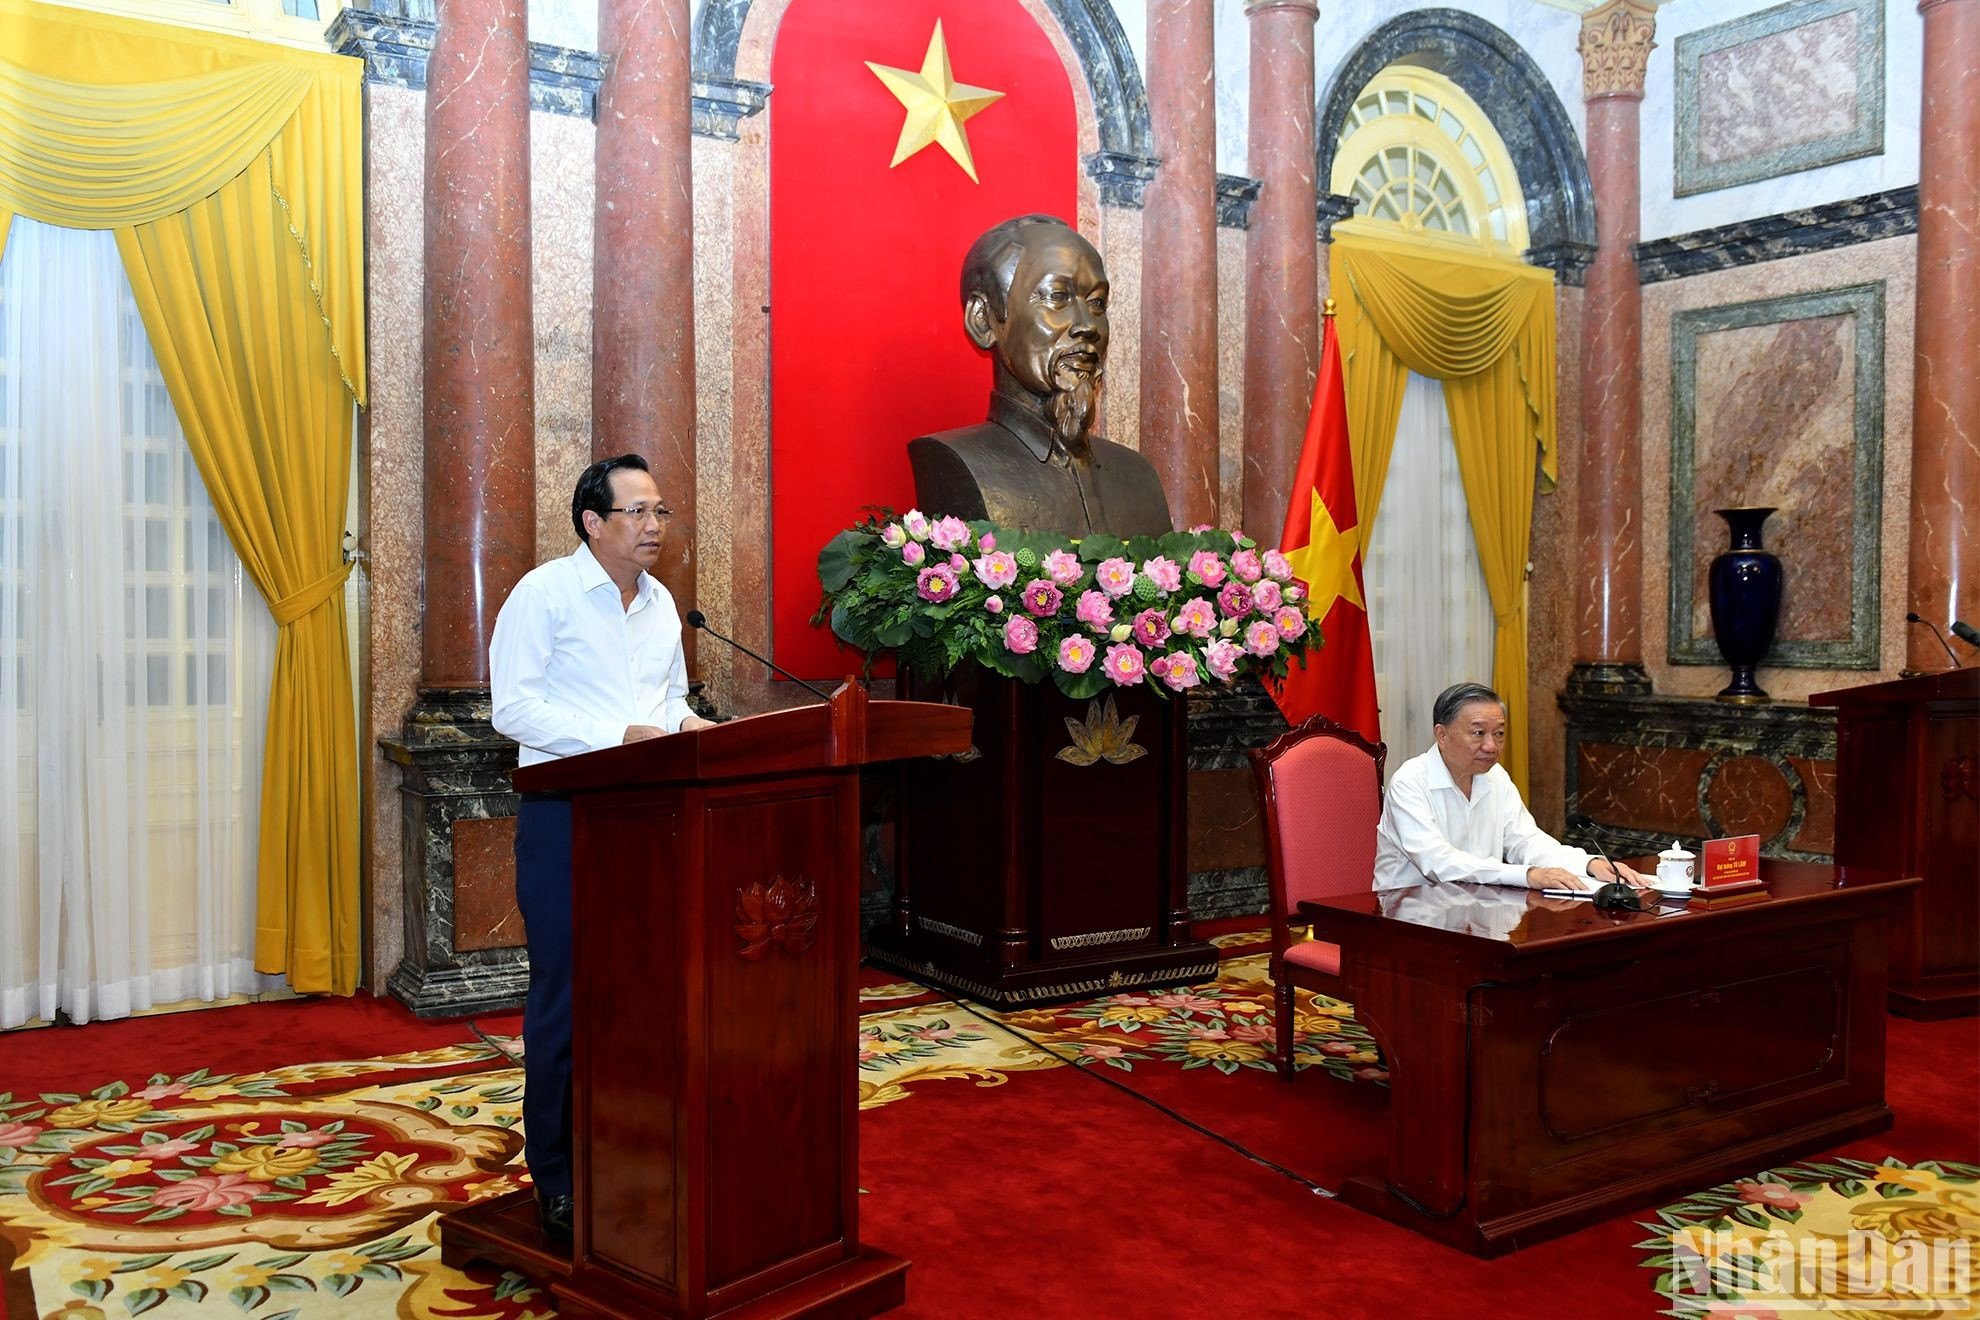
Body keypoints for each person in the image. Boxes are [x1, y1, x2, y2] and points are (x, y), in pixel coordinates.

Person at [489, 452, 716, 1241]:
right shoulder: (543, 594)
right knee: (570, 997)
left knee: (645, 995)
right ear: (594, 522)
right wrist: (614, 739)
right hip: (566, 816)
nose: (655, 527)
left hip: (650, 821)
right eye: (639, 512)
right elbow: (512, 709)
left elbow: (671, 701)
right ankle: (555, 1173)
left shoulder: (661, 606)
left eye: (661, 512)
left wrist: (701, 734)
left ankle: (630, 1143)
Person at [908, 214, 1172, 537]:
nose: (1088, 325)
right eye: (1057, 297)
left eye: (1097, 303)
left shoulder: (1138, 476)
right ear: (984, 321)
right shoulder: (952, 463)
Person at [1374, 681, 1648, 893]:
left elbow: (1526, 841)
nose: (1491, 746)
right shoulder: (1410, 781)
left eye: (1499, 733)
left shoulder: (1496, 778)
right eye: (1478, 733)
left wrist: (1589, 865)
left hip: (1476, 909)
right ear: (1442, 735)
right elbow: (1438, 863)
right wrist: (1526, 875)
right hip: (1407, 916)